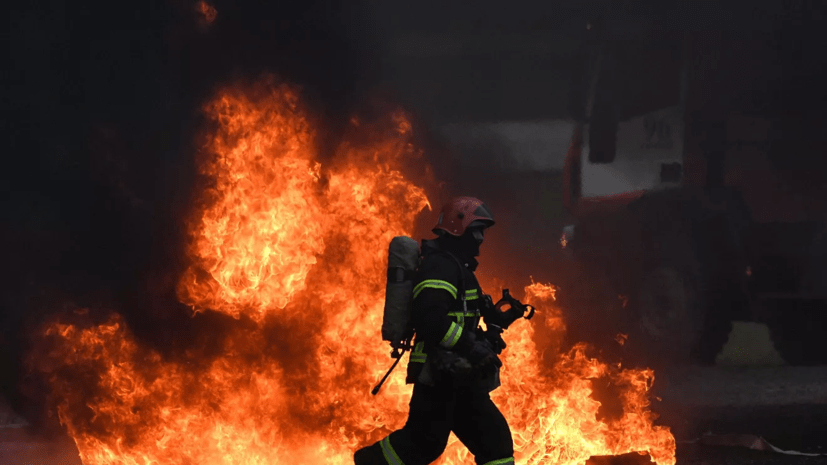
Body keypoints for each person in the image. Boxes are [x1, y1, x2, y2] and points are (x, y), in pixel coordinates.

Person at [354, 196, 515, 465]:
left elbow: (459, 319)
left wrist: (491, 330)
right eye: (477, 231)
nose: (481, 239)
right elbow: (431, 321)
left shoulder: (456, 267)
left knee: (493, 443)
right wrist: (472, 348)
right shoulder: (440, 267)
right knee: (422, 444)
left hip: (458, 377)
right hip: (440, 374)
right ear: (458, 227)